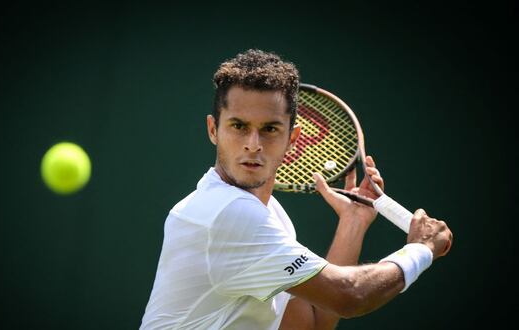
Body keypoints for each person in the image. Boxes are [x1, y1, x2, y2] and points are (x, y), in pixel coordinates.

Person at [140, 49, 453, 330]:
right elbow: (349, 297)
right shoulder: (227, 214)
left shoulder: (272, 216)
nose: (253, 144)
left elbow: (314, 323)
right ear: (213, 130)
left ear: (292, 138)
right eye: (238, 126)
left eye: (270, 129)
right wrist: (421, 248)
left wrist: (352, 224)